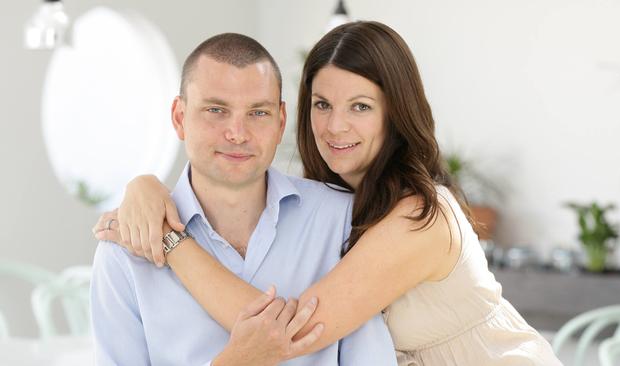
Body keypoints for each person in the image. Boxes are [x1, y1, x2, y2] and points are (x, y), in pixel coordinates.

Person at [96, 21, 562, 365]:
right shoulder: (347, 205)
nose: (336, 126)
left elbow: (284, 331)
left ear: (395, 114)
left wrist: (170, 241)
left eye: (360, 106)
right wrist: (146, 186)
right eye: (323, 105)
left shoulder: (418, 215)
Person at [90, 32, 397, 366]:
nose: (237, 133)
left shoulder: (341, 220)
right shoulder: (124, 252)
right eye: (216, 110)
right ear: (179, 117)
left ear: (281, 122)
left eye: (258, 113)